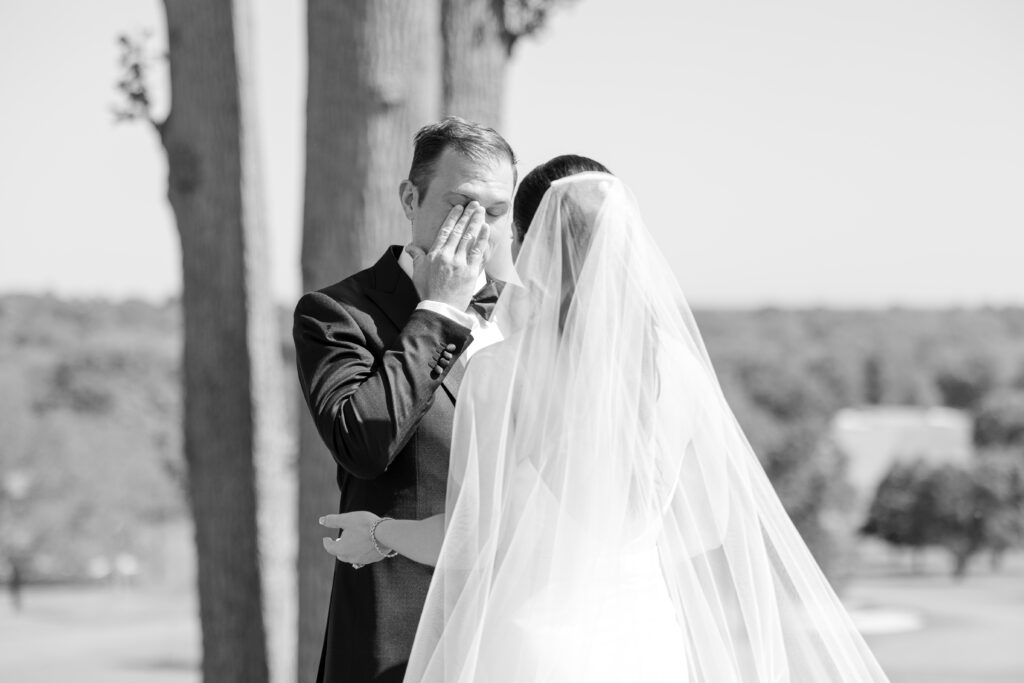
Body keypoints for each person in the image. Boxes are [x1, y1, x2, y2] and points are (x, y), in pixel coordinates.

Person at [323, 161, 891, 682]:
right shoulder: (678, 367)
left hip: (531, 642)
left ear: (528, 245)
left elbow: (470, 540)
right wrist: (618, 562)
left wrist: (378, 533)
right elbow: (711, 521)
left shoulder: (501, 372)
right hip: (645, 638)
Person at [293, 117, 518, 683]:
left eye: (495, 211)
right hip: (396, 632)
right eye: (460, 204)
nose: (478, 228)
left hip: (510, 632)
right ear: (410, 198)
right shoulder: (336, 314)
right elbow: (362, 443)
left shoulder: (526, 316)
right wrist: (438, 312)